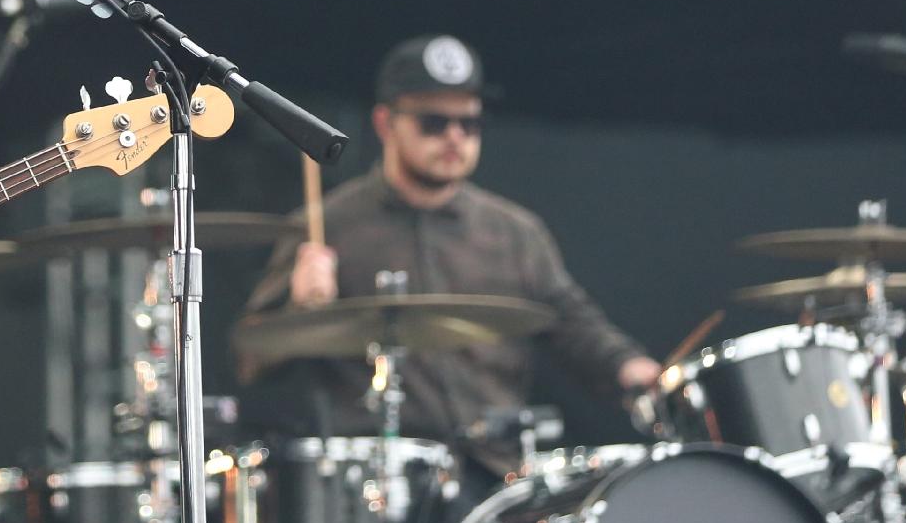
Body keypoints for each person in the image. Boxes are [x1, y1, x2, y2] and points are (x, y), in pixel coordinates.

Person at [240, 34, 661, 476]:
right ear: (385, 123)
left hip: (497, 473)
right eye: (433, 123)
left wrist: (630, 367)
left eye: (470, 124)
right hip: (378, 483)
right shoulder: (326, 226)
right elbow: (251, 358)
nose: (455, 137)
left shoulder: (514, 232)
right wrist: (300, 304)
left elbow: (573, 324)